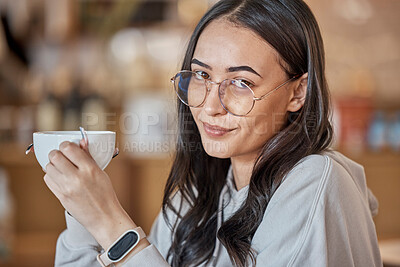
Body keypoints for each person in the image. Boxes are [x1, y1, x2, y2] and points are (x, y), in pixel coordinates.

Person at [45, 0, 382, 266]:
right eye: (201, 76)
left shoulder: (314, 182)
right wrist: (82, 210)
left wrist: (111, 223)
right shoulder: (198, 195)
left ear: (298, 92)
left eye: (240, 83)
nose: (210, 106)